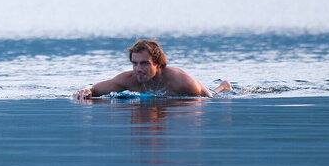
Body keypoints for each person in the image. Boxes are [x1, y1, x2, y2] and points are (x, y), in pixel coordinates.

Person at [74, 39, 231, 99]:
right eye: (134, 64)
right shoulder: (127, 80)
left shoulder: (181, 81)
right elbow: (94, 88)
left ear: (158, 64)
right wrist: (86, 89)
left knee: (216, 92)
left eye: (144, 63)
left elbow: (209, 99)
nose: (138, 69)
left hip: (206, 92)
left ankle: (224, 85)